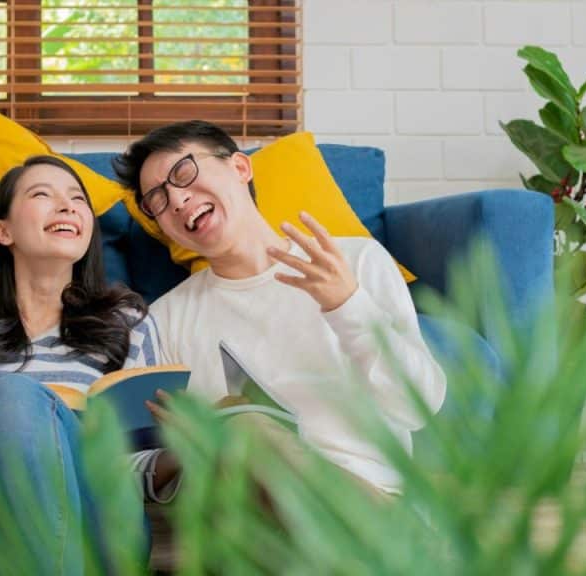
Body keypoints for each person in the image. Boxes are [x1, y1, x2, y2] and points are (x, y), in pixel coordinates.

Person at [112, 120, 447, 499]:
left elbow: (418, 408)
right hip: (251, 522)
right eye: (156, 199)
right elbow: (121, 466)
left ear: (240, 168)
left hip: (372, 507)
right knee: (243, 432)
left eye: (183, 171)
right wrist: (186, 448)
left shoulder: (353, 262)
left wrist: (348, 306)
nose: (175, 200)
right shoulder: (165, 319)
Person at [0, 156, 177, 575]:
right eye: (43, 194)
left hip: (95, 519)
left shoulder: (128, 323)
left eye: (78, 200)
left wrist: (175, 455)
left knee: (12, 394)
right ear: (2, 231)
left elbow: (132, 470)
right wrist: (6, 443)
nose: (67, 206)